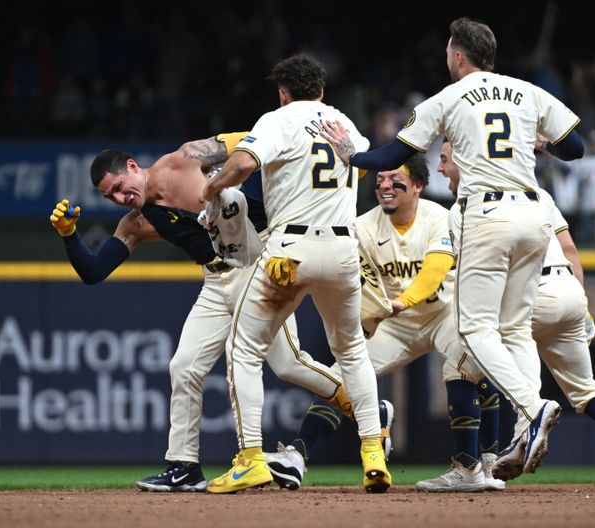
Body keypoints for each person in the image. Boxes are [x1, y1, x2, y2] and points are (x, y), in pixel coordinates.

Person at [320, 17, 584, 474]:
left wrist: (353, 157)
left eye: (448, 51)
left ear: (458, 56)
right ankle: (525, 431)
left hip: (487, 215)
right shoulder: (527, 91)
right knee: (515, 330)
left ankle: (533, 407)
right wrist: (540, 143)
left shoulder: (448, 97)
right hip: (533, 212)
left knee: (477, 330)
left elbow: (394, 156)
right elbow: (575, 147)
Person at [49, 133, 352, 492]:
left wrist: (314, 139)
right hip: (214, 281)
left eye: (119, 186)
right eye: (109, 196)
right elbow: (94, 271)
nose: (119, 198)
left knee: (288, 364)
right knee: (184, 366)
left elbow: (260, 138)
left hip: (255, 265)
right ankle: (183, 466)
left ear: (132, 167)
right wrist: (70, 235)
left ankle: (365, 405)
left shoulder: (185, 158)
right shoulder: (136, 223)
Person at [201, 53, 391, 493]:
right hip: (344, 248)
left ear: (283, 93)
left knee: (244, 348)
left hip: (291, 250)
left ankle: (250, 458)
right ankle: (373, 453)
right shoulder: (343, 123)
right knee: (352, 352)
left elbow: (244, 165)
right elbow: (362, 166)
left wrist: (211, 187)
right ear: (322, 90)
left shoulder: (278, 118)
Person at [440, 138, 595, 492]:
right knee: (586, 392)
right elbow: (571, 250)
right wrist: (582, 304)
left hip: (530, 294)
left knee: (462, 361)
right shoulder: (538, 193)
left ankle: (495, 452)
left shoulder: (465, 207)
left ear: (466, 162)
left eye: (445, 160)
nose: (441, 167)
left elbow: (482, 274)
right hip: (568, 293)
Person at [265, 154, 505, 493]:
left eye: (395, 180)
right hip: (394, 324)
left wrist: (401, 301)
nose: (385, 186)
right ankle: (298, 455)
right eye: (380, 181)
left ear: (419, 186)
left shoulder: (441, 217)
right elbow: (357, 286)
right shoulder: (361, 227)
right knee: (342, 373)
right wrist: (365, 320)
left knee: (469, 363)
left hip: (444, 314)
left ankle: (480, 462)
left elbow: (434, 270)